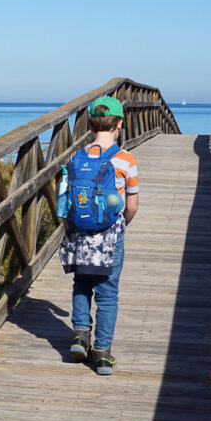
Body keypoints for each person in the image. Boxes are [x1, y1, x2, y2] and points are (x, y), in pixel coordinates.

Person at [59, 95, 139, 375]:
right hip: (110, 236)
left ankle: (80, 335)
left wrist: (71, 228)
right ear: (119, 124)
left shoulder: (75, 158)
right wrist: (120, 226)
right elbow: (132, 206)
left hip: (80, 233)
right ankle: (102, 354)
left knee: (82, 284)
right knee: (107, 294)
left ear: (91, 124)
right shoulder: (126, 160)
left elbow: (66, 201)